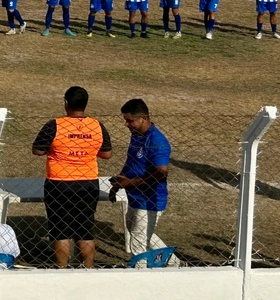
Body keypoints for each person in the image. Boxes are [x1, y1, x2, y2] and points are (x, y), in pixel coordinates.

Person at [33, 86, 112, 268]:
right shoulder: (97, 126)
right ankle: (88, 269)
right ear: (85, 104)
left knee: (61, 230)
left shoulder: (55, 125)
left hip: (59, 183)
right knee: (85, 230)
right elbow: (107, 154)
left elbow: (38, 150)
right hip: (88, 183)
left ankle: (62, 269)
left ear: (66, 103)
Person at [110, 99, 178, 266]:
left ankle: (140, 275)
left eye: (129, 120)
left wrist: (130, 183)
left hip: (149, 200)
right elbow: (131, 162)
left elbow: (161, 174)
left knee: (138, 244)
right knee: (137, 232)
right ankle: (175, 263)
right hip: (134, 196)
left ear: (143, 118)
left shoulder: (157, 141)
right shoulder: (137, 136)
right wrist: (120, 182)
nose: (127, 124)